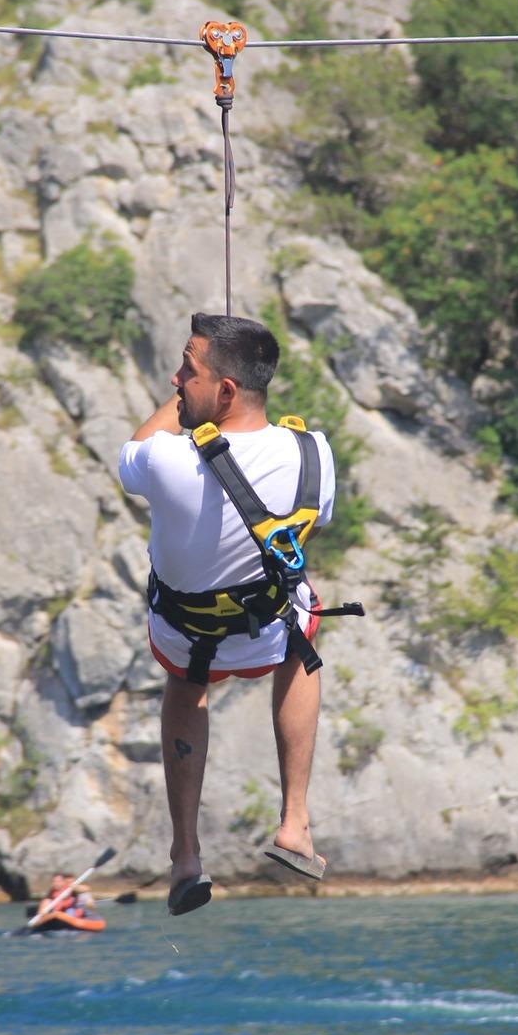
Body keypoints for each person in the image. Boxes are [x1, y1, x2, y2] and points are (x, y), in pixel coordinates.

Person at [118, 312, 336, 916]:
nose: (175, 379)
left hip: (186, 637)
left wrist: (183, 408)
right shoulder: (313, 454)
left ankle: (186, 853)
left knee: (187, 685)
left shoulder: (166, 462)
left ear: (226, 390)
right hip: (266, 633)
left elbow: (132, 450)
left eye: (187, 371)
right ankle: (295, 820)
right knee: (303, 630)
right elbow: (314, 521)